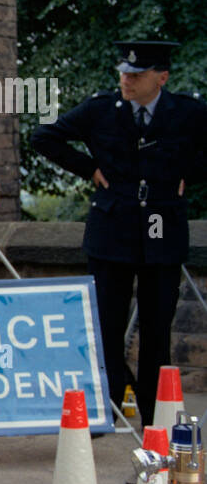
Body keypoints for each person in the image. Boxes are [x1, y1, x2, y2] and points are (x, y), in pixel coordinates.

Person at [32, 40, 207, 426]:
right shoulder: (100, 109)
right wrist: (88, 168)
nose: (127, 80)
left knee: (157, 332)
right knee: (106, 328)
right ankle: (107, 409)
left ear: (161, 77)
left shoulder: (187, 112)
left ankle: (153, 418)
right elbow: (43, 136)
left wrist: (187, 176)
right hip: (112, 232)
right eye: (123, 73)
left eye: (137, 74)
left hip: (162, 235)